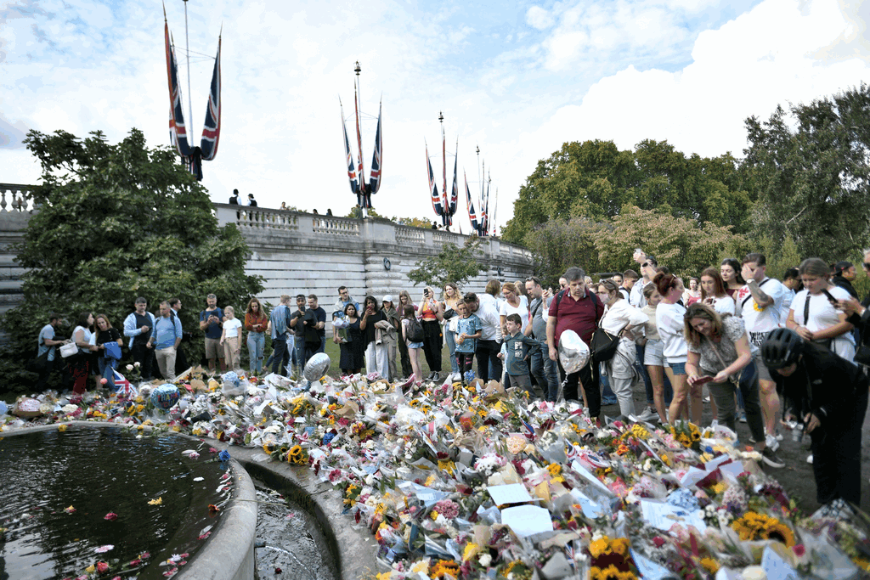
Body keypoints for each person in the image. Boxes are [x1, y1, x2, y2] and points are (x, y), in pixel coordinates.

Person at [762, 328, 868, 506]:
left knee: (844, 448)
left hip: (851, 391)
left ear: (799, 357)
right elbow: (791, 390)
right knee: (820, 446)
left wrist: (821, 412)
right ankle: (826, 502)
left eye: (786, 367)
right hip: (817, 390)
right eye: (777, 369)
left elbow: (847, 392)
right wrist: (793, 413)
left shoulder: (823, 361)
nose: (781, 372)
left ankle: (849, 508)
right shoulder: (778, 365)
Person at [684, 304, 784, 467]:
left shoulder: (731, 324)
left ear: (711, 318)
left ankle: (763, 447)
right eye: (695, 326)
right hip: (714, 370)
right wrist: (693, 374)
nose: (700, 329)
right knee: (725, 411)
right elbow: (690, 362)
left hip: (743, 366)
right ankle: (727, 452)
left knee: (751, 406)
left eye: (702, 324)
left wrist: (727, 372)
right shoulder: (694, 335)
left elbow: (745, 355)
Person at [733, 253, 787, 446]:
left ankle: (771, 433)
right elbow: (739, 316)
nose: (748, 272)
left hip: (768, 343)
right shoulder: (743, 290)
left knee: (767, 387)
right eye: (745, 269)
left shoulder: (773, 284)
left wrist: (749, 280)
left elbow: (763, 301)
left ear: (763, 268)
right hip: (748, 345)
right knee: (752, 390)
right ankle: (766, 427)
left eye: (753, 269)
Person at [546, 267, 604, 414]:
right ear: (568, 284)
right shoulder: (559, 298)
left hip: (588, 351)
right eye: (574, 284)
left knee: (591, 386)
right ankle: (573, 419)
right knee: (568, 386)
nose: (578, 287)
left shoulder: (593, 298)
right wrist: (551, 348)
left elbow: (602, 320)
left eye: (580, 283)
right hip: (565, 352)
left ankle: (593, 418)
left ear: (584, 282)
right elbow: (551, 323)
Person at [595, 280, 649, 418]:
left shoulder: (621, 306)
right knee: (617, 389)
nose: (600, 295)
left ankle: (628, 422)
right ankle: (626, 418)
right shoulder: (609, 306)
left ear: (613, 293)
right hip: (611, 352)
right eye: (599, 292)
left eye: (603, 293)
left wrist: (627, 329)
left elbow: (641, 317)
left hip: (621, 352)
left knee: (622, 390)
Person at [786, 257, 856, 362]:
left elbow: (848, 323)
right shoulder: (800, 296)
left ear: (825, 276)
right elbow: (789, 320)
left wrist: (814, 336)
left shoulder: (839, 294)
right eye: (804, 280)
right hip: (810, 352)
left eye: (812, 280)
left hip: (837, 352)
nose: (807, 284)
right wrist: (797, 329)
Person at [655, 272, 699, 425]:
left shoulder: (674, 306)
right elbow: (690, 325)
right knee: (680, 396)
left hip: (684, 355)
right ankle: (671, 430)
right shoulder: (666, 310)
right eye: (680, 287)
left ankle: (685, 425)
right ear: (671, 290)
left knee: (685, 394)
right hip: (679, 357)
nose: (683, 290)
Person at [638, 284, 671, 423]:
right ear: (647, 298)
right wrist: (643, 340)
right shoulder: (642, 312)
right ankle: (660, 417)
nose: (660, 298)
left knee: (671, 382)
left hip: (669, 346)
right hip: (652, 346)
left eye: (661, 295)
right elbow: (636, 333)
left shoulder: (668, 308)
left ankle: (670, 412)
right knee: (657, 386)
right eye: (656, 296)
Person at [525, 277, 559, 401]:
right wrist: (523, 339)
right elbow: (531, 323)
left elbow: (554, 322)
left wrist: (551, 342)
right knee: (535, 370)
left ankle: (552, 401)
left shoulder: (550, 300)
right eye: (526, 289)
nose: (528, 291)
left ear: (538, 286)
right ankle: (548, 395)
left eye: (530, 288)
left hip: (547, 342)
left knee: (550, 373)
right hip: (536, 342)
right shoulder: (533, 302)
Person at [498, 313, 541, 395]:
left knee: (528, 393)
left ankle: (534, 405)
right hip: (511, 370)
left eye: (510, 324)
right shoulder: (507, 338)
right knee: (516, 394)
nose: (508, 326)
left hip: (521, 371)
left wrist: (528, 354)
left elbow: (537, 345)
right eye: (507, 324)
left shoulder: (522, 338)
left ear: (518, 326)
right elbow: (507, 349)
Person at [464, 292, 502, 383]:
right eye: (468, 307)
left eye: (472, 307)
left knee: (495, 364)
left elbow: (499, 325)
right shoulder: (469, 307)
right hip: (480, 340)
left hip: (493, 339)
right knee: (481, 365)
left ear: (477, 301)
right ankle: (483, 385)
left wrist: (498, 341)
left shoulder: (488, 310)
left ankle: (495, 386)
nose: (470, 309)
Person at [147, 302, 183, 381]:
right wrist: (149, 342)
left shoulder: (175, 320)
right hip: (159, 349)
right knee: (163, 372)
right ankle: (168, 388)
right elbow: (153, 334)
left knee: (170, 372)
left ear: (169, 309)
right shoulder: (157, 320)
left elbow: (179, 335)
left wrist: (174, 348)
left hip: (170, 348)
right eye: (160, 309)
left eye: (163, 309)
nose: (161, 311)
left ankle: (175, 389)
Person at [123, 298, 156, 381]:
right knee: (138, 367)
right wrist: (140, 330)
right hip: (137, 345)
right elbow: (126, 332)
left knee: (149, 366)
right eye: (140, 305)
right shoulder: (131, 317)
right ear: (136, 305)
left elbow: (155, 330)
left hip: (150, 344)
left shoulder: (151, 316)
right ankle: (139, 384)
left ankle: (148, 384)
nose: (142, 307)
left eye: (144, 305)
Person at [36, 314, 68, 391]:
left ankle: (63, 389)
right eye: (59, 321)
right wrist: (61, 341)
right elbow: (48, 342)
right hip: (46, 357)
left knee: (64, 370)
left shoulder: (50, 328)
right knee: (44, 376)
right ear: (54, 320)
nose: (60, 323)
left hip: (50, 356)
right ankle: (40, 392)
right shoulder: (48, 329)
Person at [454, 299, 482, 385]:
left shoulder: (474, 318)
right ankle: (463, 387)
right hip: (459, 349)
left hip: (469, 349)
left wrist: (468, 337)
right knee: (461, 369)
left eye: (464, 308)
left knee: (467, 369)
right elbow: (456, 333)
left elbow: (479, 334)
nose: (463, 311)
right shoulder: (459, 319)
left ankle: (469, 387)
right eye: (461, 309)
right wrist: (457, 340)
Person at [359, 296, 389, 378]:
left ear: (375, 303)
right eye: (369, 303)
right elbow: (361, 327)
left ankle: (383, 379)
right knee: (370, 360)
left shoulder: (381, 313)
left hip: (380, 339)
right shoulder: (363, 314)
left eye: (372, 302)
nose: (371, 304)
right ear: (366, 305)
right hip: (368, 339)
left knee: (381, 360)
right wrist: (365, 316)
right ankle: (371, 379)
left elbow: (387, 325)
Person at [419, 287, 443, 381]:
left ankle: (437, 371)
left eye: (429, 292)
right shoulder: (423, 303)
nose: (428, 294)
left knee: (435, 349)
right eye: (426, 292)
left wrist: (434, 309)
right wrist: (423, 301)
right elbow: (419, 313)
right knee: (427, 349)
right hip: (425, 326)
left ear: (433, 293)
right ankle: (431, 370)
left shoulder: (437, 303)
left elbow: (441, 318)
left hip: (434, 326)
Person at [70, 311, 97, 395]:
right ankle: (76, 396)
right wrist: (91, 346)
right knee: (80, 376)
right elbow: (78, 342)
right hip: (80, 356)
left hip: (86, 355)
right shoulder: (80, 329)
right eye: (91, 317)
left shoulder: (87, 329)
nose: (93, 319)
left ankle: (80, 396)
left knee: (84, 377)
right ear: (85, 319)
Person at [94, 314, 123, 390]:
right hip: (101, 358)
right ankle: (117, 392)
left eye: (102, 322)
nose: (101, 325)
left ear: (106, 322)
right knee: (105, 379)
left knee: (107, 379)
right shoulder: (97, 333)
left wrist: (106, 345)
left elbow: (120, 343)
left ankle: (119, 392)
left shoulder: (112, 331)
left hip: (111, 358)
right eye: (99, 323)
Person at [199, 294, 225, 375]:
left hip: (220, 337)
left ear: (216, 301)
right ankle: (212, 375)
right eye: (210, 301)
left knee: (222, 357)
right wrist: (208, 322)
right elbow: (201, 327)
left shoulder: (221, 311)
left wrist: (219, 322)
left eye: (213, 301)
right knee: (210, 358)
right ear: (207, 301)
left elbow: (227, 325)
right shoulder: (203, 313)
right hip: (209, 337)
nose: (211, 303)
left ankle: (223, 374)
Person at [442, 283, 462, 382]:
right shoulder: (445, 301)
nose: (448, 291)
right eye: (447, 289)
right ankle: (454, 370)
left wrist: (456, 309)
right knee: (451, 350)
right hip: (448, 326)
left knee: (458, 349)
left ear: (454, 289)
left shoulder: (460, 300)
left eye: (450, 289)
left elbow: (463, 314)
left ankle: (460, 370)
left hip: (457, 325)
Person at [244, 297, 269, 375]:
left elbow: (265, 327)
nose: (254, 308)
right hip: (251, 336)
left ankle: (258, 372)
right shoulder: (248, 315)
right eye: (253, 306)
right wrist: (257, 325)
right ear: (250, 307)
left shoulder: (263, 315)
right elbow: (247, 326)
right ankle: (252, 373)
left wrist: (254, 327)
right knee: (253, 355)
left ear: (258, 306)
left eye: (256, 306)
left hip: (260, 336)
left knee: (260, 355)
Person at [338, 303, 365, 374]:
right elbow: (339, 331)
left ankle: (358, 380)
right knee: (348, 364)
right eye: (349, 309)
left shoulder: (359, 319)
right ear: (346, 311)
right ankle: (350, 380)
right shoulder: (343, 320)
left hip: (357, 344)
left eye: (353, 309)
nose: (351, 311)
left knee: (358, 364)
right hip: (346, 345)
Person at [401, 304, 424, 386]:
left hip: (411, 342)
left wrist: (405, 342)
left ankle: (416, 378)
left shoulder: (404, 321)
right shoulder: (416, 320)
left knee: (413, 361)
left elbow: (404, 333)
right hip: (419, 341)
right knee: (418, 360)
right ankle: (420, 378)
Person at [270, 295, 293, 375]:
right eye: (289, 301)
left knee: (286, 356)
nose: (289, 303)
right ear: (286, 301)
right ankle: (274, 376)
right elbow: (283, 324)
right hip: (280, 337)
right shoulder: (285, 309)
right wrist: (289, 331)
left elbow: (273, 324)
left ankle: (283, 375)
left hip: (276, 336)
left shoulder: (274, 310)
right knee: (277, 358)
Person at [168, 298, 191, 375]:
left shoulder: (174, 313)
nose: (181, 305)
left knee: (179, 359)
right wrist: (185, 334)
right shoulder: (170, 314)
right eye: (179, 303)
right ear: (175, 305)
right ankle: (187, 375)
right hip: (172, 341)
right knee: (181, 359)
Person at [396, 291, 416, 378]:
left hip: (411, 331)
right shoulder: (398, 308)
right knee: (403, 352)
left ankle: (412, 372)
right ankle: (405, 372)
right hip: (401, 331)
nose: (403, 300)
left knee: (411, 352)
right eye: (402, 298)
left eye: (405, 298)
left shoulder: (413, 306)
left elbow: (418, 316)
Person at [381, 295, 401, 381]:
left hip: (391, 335)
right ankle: (386, 376)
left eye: (387, 302)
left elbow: (396, 327)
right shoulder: (380, 312)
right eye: (384, 302)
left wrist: (389, 323)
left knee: (391, 358)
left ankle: (394, 376)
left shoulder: (393, 312)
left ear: (390, 302)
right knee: (384, 358)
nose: (386, 304)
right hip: (382, 336)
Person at [220, 306, 243, 371]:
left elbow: (239, 334)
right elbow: (223, 333)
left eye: (228, 313)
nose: (226, 315)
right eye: (225, 313)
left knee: (235, 359)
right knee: (228, 361)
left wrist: (239, 346)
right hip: (226, 341)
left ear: (232, 312)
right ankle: (230, 375)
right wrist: (221, 340)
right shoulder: (225, 323)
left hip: (234, 340)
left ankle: (237, 374)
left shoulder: (237, 321)